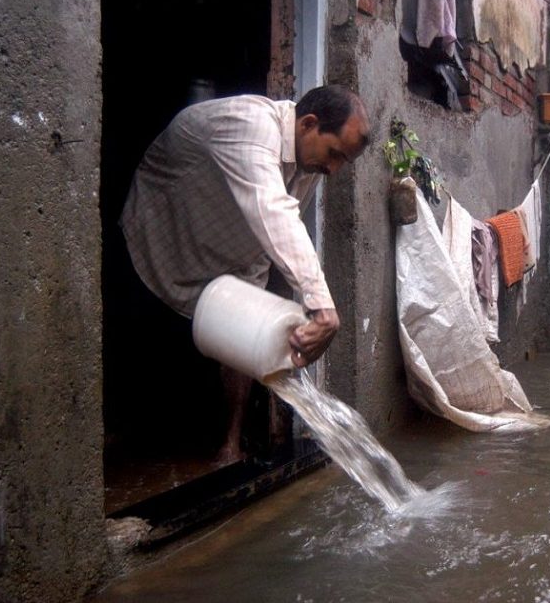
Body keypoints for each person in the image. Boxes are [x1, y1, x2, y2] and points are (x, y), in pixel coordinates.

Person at [119, 85, 371, 464]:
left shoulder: (308, 163)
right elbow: (273, 211)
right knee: (138, 361)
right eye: (334, 154)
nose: (333, 169)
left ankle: (230, 445)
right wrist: (322, 306)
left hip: (234, 250)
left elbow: (279, 228)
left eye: (342, 162)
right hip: (164, 237)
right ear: (308, 123)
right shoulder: (252, 125)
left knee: (241, 346)